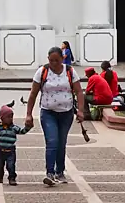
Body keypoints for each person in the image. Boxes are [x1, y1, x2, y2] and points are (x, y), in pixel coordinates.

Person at [26, 45, 85, 187]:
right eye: (51, 60)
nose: (53, 63)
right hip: (48, 112)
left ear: (63, 59)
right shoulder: (42, 72)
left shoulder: (70, 71)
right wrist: (29, 114)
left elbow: (79, 91)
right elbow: (33, 93)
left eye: (56, 60)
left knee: (61, 143)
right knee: (52, 141)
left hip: (66, 113)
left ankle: (60, 171)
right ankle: (50, 173)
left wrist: (81, 111)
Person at [0, 104, 31, 186]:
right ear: (2, 118)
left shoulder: (14, 128)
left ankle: (12, 178)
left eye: (11, 117)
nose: (10, 119)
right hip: (0, 151)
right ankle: (0, 177)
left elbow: (22, 131)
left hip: (10, 151)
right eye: (8, 117)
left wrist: (28, 127)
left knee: (11, 165)